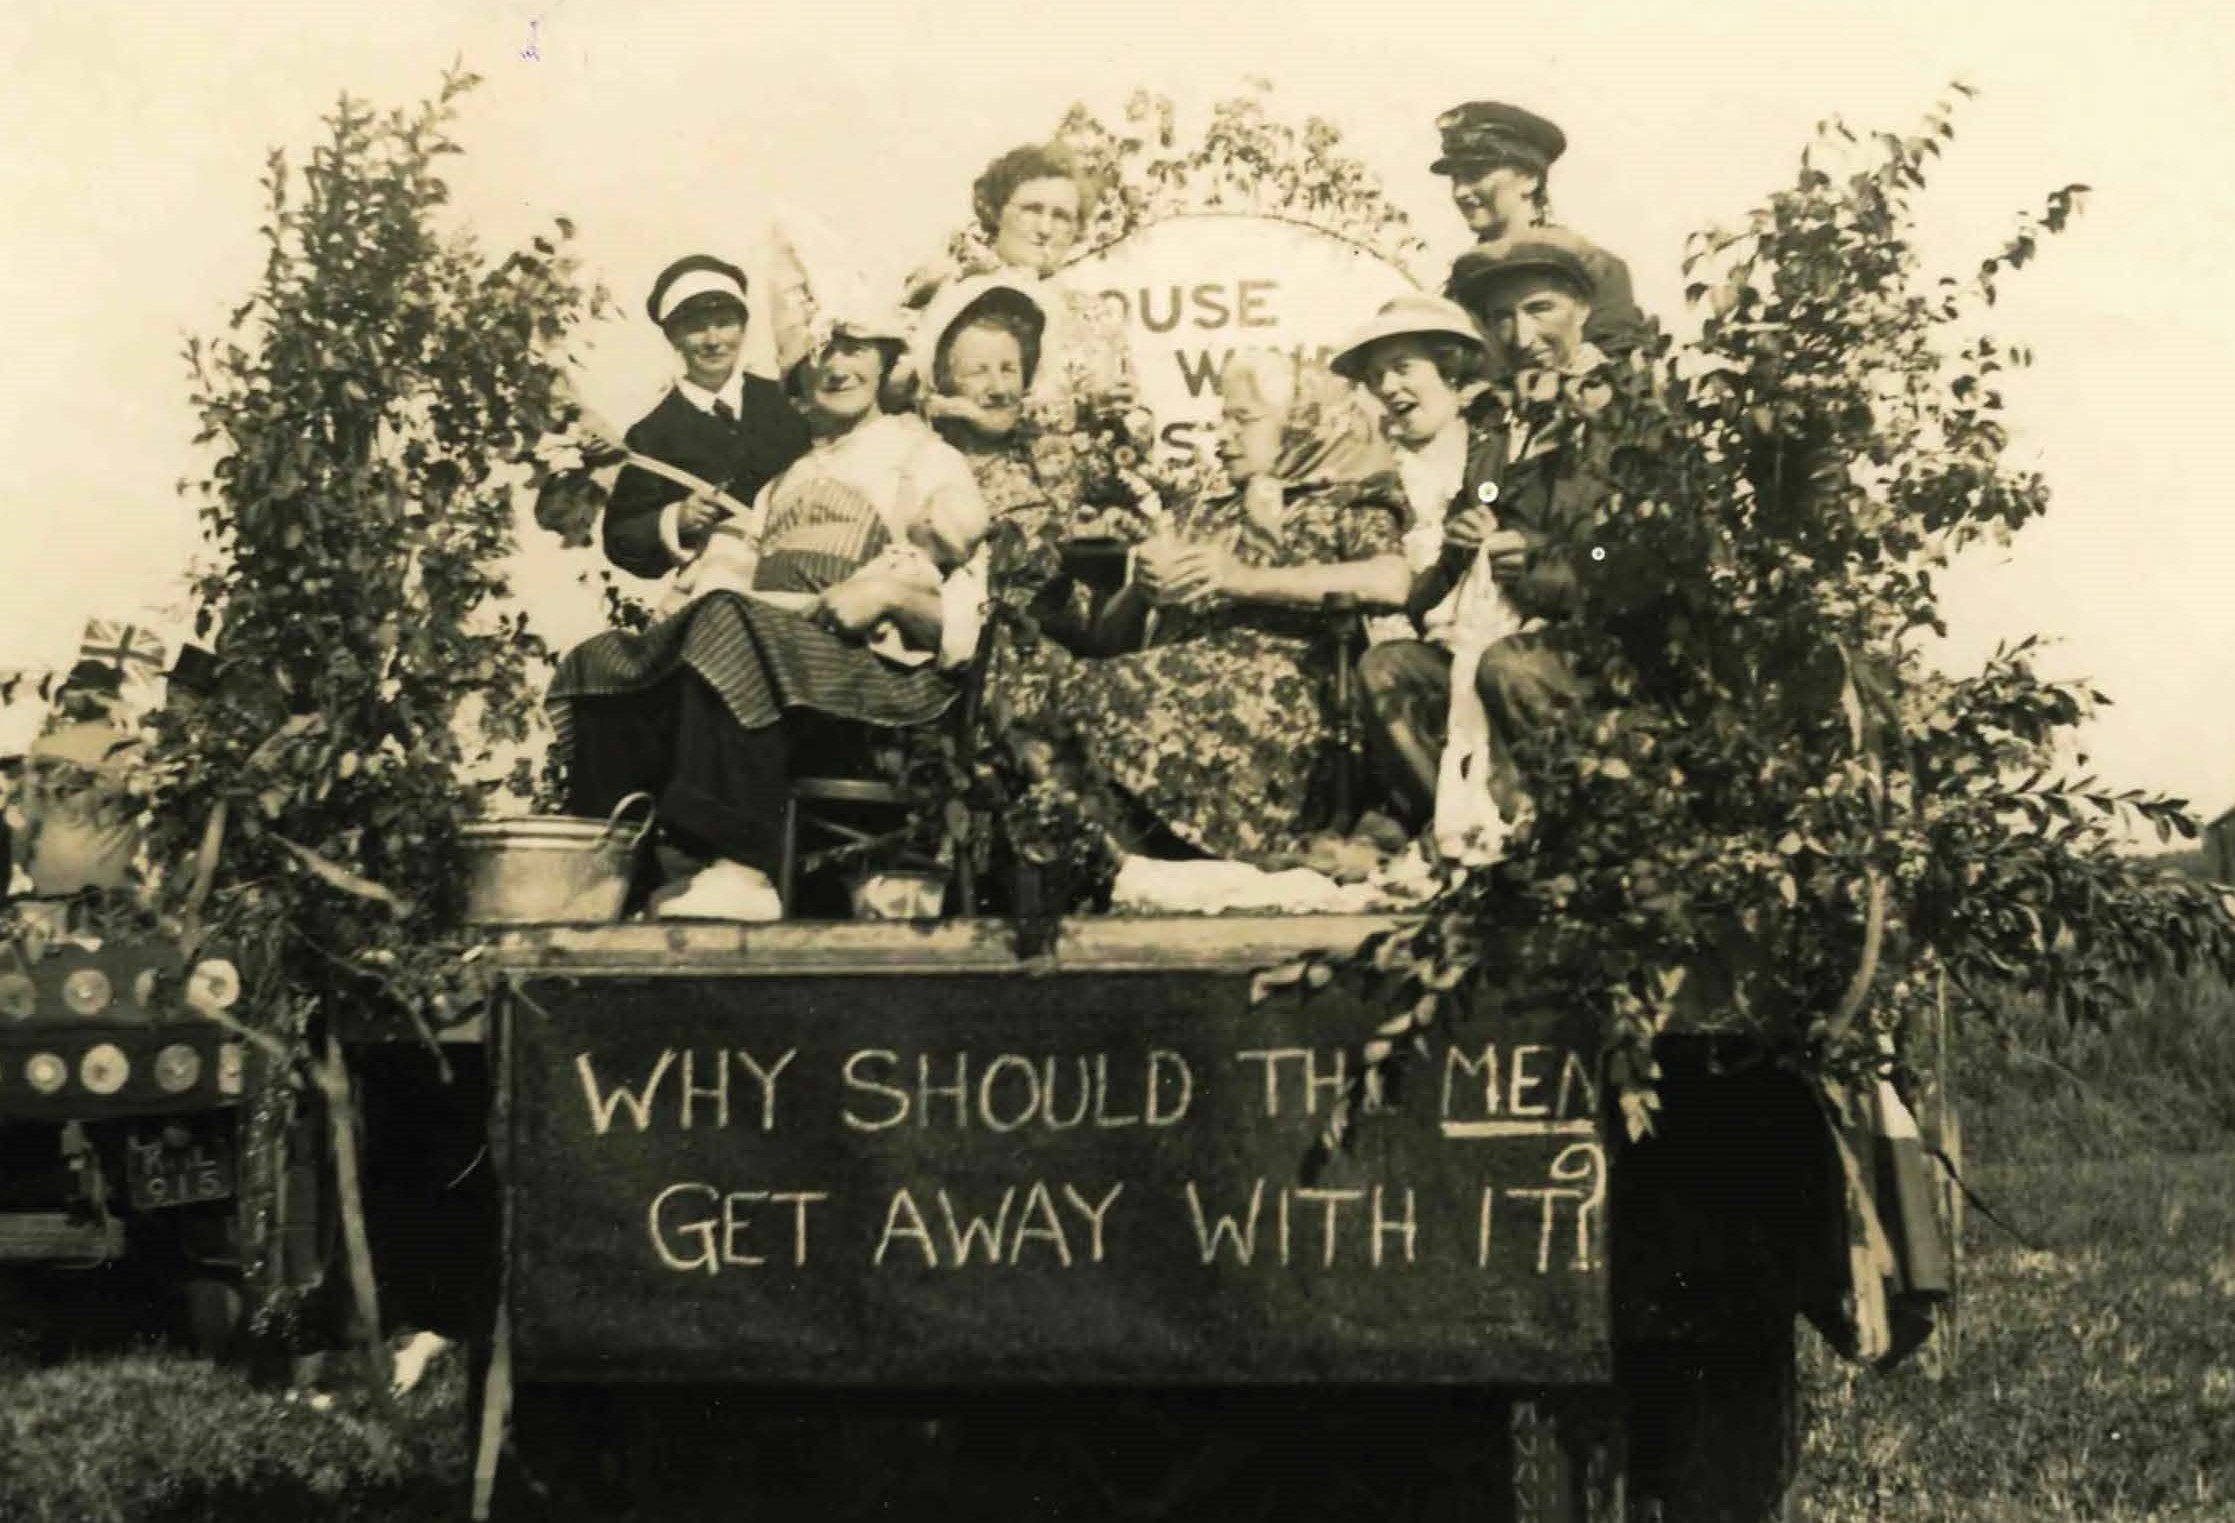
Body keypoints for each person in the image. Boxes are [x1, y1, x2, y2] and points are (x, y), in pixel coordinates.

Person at [547, 316, 993, 921]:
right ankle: (611, 871)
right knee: (602, 659)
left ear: (885, 365)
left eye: (855, 350)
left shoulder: (924, 457)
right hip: (781, 660)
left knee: (729, 623)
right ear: (799, 379)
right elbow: (718, 583)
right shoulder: (783, 483)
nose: (837, 366)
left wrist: (888, 593)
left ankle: (740, 864)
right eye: (821, 354)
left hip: (880, 679)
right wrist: (666, 633)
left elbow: (969, 608)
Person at [1008, 352, 1409, 863]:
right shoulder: (1210, 508)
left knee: (1087, 695)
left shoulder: (1347, 499)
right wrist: (1143, 589)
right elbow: (1111, 642)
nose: (1224, 434)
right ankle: (1111, 857)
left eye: (1243, 419)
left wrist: (1241, 580)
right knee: (1038, 689)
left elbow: (1390, 580)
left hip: (1290, 683)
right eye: (1223, 417)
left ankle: (1121, 859)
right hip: (1191, 673)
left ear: (1301, 421)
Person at [1353, 239, 1610, 857]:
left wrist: (1546, 560)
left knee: (1508, 664)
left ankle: (1569, 843)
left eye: (1540, 309)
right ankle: (1463, 834)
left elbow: (1623, 559)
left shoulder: (1621, 416)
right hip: (1490, 636)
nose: (1521, 335)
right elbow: (1468, 532)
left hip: (1590, 646)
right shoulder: (1497, 431)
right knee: (1387, 671)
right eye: (1501, 318)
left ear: (1581, 309)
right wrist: (1456, 548)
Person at [600, 255, 812, 582]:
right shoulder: (650, 435)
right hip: (720, 589)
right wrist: (676, 519)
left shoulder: (787, 403)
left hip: (810, 571)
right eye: (696, 327)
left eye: (725, 322)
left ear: (742, 328)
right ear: (673, 337)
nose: (713, 340)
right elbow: (620, 539)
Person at [909, 142, 1137, 432]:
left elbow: (1130, 427)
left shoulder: (1093, 316)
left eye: (1061, 217)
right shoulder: (954, 294)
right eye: (1031, 210)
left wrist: (1124, 411)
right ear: (994, 211)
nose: (1044, 229)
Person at [1429, 101, 1649, 356]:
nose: (1461, 192)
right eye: (1456, 177)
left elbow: (1621, 371)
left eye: (1475, 174)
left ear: (1529, 178)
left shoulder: (1591, 265)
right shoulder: (1460, 281)